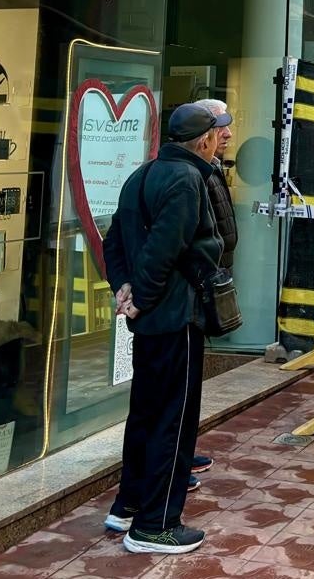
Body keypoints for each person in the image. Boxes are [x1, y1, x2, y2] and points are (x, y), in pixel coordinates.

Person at [101, 102, 230, 554]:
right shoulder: (188, 178)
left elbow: (112, 240)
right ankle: (154, 526)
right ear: (204, 140)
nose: (220, 139)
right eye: (217, 133)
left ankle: (127, 505)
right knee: (173, 422)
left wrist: (123, 287)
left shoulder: (142, 175)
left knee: (146, 413)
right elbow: (164, 249)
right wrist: (141, 300)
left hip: (150, 317)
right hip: (174, 317)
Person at [184, 99, 238, 491]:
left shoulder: (213, 170)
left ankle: (183, 452)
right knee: (176, 388)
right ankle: (174, 463)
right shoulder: (189, 177)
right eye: (220, 126)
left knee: (189, 382)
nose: (227, 134)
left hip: (207, 283)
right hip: (189, 294)